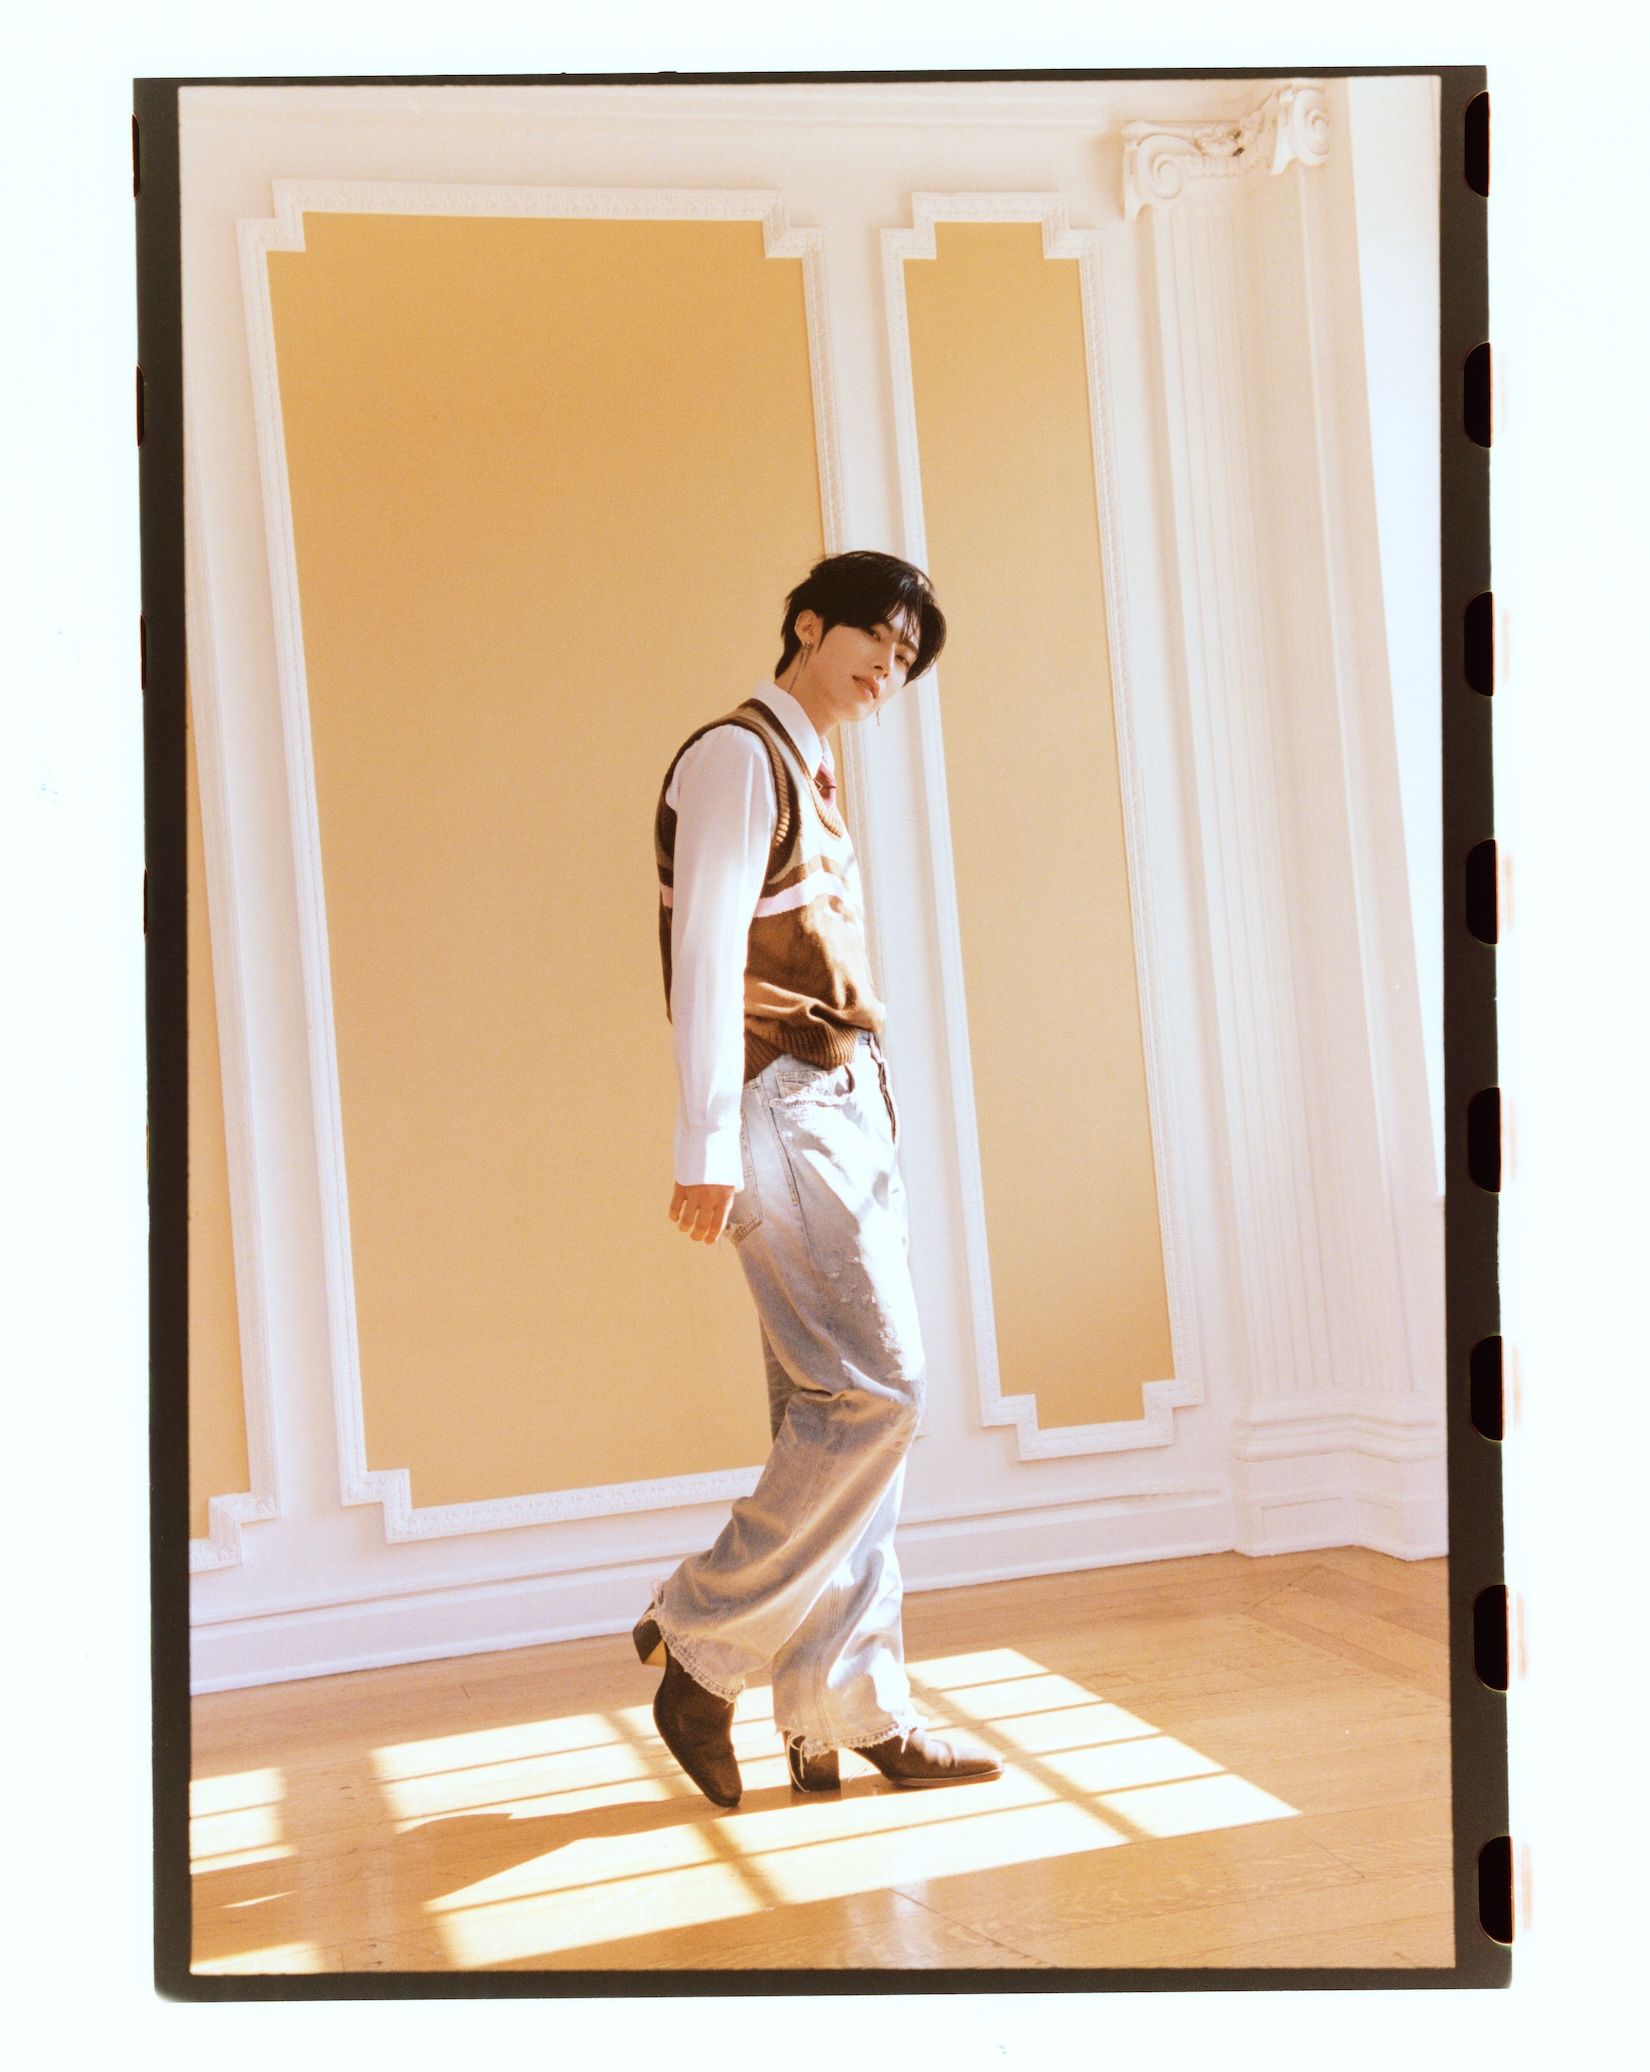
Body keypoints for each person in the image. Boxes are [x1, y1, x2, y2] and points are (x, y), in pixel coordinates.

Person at [633, 550, 1003, 1808]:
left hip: (840, 1101)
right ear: (806, 623)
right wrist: (704, 1144)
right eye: (875, 639)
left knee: (829, 1415)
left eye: (906, 657)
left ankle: (841, 1709)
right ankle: (699, 1637)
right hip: (784, 1101)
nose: (888, 667)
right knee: (877, 1393)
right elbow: (704, 956)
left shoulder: (810, 772)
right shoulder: (739, 756)